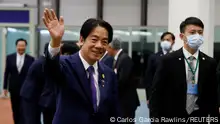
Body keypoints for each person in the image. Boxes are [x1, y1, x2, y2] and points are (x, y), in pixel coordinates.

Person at [42, 8, 120, 124]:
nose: (99, 46)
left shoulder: (109, 74)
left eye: (104, 42)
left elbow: (113, 111)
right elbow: (51, 66)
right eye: (94, 39)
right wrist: (56, 41)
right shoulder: (65, 65)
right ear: (81, 39)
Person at [149, 17, 218, 123]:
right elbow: (156, 94)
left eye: (200, 32)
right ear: (182, 36)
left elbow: (213, 96)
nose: (197, 36)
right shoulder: (167, 61)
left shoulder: (210, 63)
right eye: (192, 32)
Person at [20, 42, 80, 124]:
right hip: (31, 94)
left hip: (38, 94)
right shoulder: (43, 63)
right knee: (31, 119)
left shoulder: (44, 61)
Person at [107, 38, 140, 124]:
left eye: (107, 48)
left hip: (126, 102)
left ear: (111, 47)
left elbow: (122, 80)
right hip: (122, 101)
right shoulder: (118, 58)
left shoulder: (124, 59)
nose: (106, 51)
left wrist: (109, 90)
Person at [3, 38, 35, 124]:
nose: (21, 47)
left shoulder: (31, 59)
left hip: (26, 89)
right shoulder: (9, 58)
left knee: (25, 109)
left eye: (23, 46)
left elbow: (33, 75)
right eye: (19, 46)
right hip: (14, 88)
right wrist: (5, 87)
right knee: (15, 109)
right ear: (16, 46)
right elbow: (7, 73)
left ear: (26, 46)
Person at [144, 32, 175, 105]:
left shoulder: (177, 57)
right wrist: (148, 97)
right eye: (163, 40)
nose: (165, 42)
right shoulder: (153, 57)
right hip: (157, 96)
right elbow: (148, 78)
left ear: (173, 42)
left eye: (168, 40)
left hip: (173, 97)